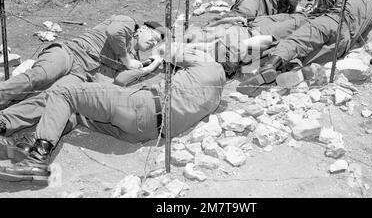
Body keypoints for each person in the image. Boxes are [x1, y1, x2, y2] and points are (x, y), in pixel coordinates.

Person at [0, 42, 227, 182]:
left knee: (65, 93)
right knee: (79, 112)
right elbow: (121, 81)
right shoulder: (217, 94)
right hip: (145, 132)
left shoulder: (208, 62)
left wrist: (156, 60)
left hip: (143, 106)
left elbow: (170, 50)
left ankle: (38, 158)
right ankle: (28, 144)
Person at [237, 0, 372, 96]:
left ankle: (269, 67)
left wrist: (317, 13)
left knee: (296, 42)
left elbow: (326, 0)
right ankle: (295, 72)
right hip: (344, 41)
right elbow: (363, 37)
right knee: (311, 57)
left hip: (330, 21)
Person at [0, 16, 164, 111]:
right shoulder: (128, 23)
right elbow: (114, 32)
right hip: (71, 52)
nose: (153, 43)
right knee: (39, 76)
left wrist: (150, 66)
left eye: (157, 43)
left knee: (50, 98)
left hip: (82, 75)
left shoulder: (133, 57)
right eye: (154, 37)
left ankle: (5, 121)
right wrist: (127, 60)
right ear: (142, 29)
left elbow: (119, 82)